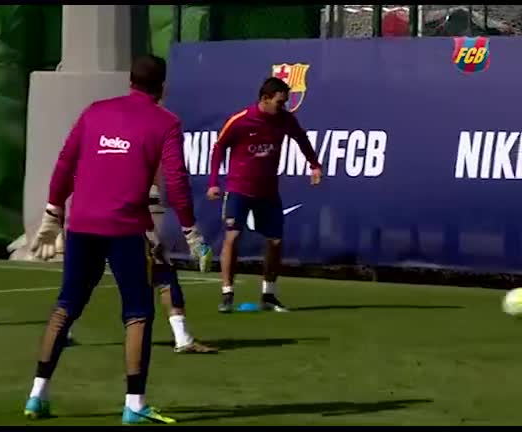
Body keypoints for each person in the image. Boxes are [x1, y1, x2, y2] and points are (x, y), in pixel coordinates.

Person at [23, 55, 211, 425]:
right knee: (138, 312)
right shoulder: (166, 122)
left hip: (82, 224)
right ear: (163, 87)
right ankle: (134, 404)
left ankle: (36, 395)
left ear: (130, 81)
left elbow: (65, 162)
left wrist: (52, 211)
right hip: (125, 229)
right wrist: (192, 231)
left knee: (66, 305)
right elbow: (176, 182)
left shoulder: (95, 111)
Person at [207, 77, 322, 314]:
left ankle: (268, 295)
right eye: (280, 102)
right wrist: (213, 183)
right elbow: (219, 147)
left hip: (268, 192)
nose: (283, 106)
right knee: (233, 236)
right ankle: (227, 293)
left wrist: (314, 165)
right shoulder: (240, 121)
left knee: (275, 241)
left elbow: (301, 138)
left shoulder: (285, 119)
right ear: (265, 99)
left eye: (285, 102)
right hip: (239, 189)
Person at [66, 178, 217, 355]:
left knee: (86, 278)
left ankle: (63, 329)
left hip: (96, 216)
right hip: (130, 216)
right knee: (163, 274)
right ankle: (181, 337)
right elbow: (167, 182)